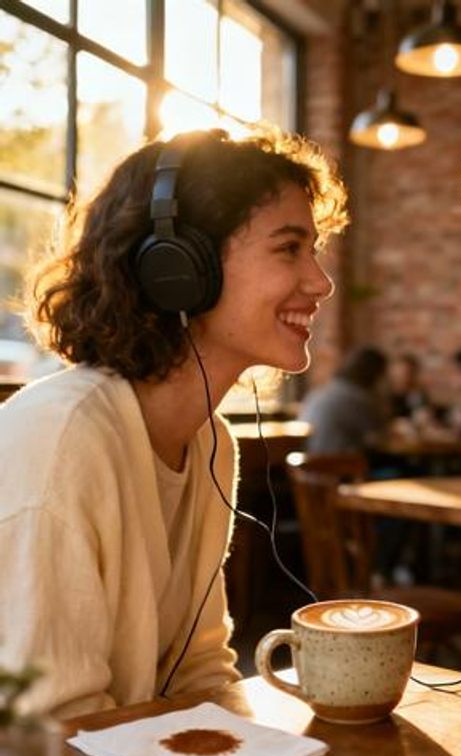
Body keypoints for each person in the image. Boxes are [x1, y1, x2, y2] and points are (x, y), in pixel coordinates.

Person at [0, 126, 347, 718]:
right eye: (289, 248)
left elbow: (201, 669)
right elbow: (53, 729)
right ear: (178, 268)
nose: (320, 282)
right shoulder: (61, 437)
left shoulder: (213, 441)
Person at [300, 346, 389, 455]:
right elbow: (378, 435)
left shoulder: (320, 391)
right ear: (375, 374)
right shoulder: (358, 397)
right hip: (341, 464)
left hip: (310, 463)